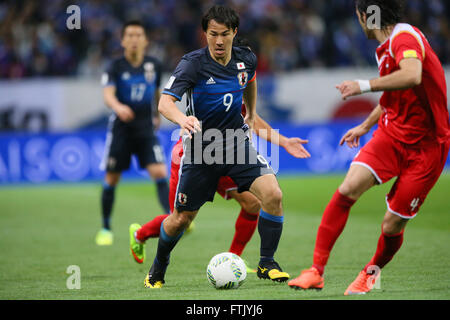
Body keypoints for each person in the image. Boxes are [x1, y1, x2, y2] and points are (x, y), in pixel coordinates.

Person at [288, 0, 450, 295]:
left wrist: (363, 86)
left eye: (359, 15)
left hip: (427, 148)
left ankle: (370, 273)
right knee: (348, 188)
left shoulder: (405, 39)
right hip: (392, 134)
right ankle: (315, 272)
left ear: (366, 16)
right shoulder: (387, 45)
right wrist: (365, 125)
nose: (359, 20)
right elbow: (396, 90)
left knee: (391, 226)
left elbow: (412, 75)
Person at [143, 5, 293, 288]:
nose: (219, 41)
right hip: (201, 150)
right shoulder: (192, 64)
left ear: (234, 32)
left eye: (225, 34)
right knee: (181, 219)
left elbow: (250, 80)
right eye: (213, 34)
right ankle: (158, 266)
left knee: (272, 194)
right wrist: (181, 119)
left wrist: (251, 112)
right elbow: (165, 103)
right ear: (205, 34)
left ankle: (267, 262)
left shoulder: (246, 58)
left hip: (237, 143)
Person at [128, 110, 310, 271]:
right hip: (194, 156)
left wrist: (284, 141)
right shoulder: (202, 76)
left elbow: (250, 118)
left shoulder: (238, 79)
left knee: (253, 203)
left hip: (227, 154)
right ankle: (139, 235)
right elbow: (166, 102)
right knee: (180, 220)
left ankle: (233, 259)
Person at [96, 21, 170, 245]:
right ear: (123, 40)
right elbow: (108, 95)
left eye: (139, 35)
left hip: (145, 128)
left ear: (145, 40)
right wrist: (118, 107)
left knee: (159, 171)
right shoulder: (115, 67)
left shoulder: (154, 65)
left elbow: (157, 92)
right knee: (112, 178)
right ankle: (106, 228)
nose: (134, 39)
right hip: (121, 129)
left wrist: (157, 114)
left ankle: (173, 219)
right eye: (130, 35)